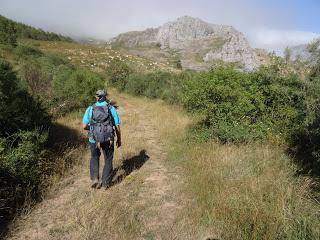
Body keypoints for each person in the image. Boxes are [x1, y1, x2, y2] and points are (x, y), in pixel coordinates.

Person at [82, 90, 121, 189]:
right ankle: (105, 183)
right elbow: (117, 126)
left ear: (96, 97)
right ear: (105, 97)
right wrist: (119, 139)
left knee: (94, 157)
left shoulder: (90, 109)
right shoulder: (111, 108)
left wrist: (91, 129)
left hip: (93, 138)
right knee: (108, 159)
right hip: (108, 138)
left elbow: (83, 126)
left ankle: (95, 178)